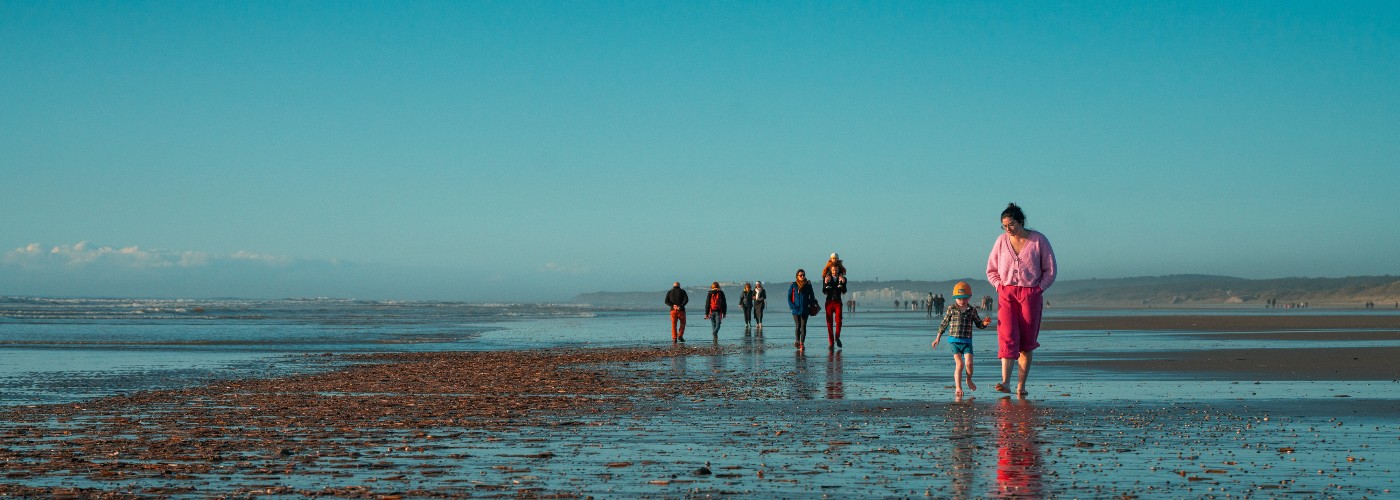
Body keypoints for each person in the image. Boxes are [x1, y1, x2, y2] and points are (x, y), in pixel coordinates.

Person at [987, 202, 1057, 397]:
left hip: (1030, 294)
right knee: (1007, 336)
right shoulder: (1001, 241)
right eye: (1004, 226)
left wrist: (1038, 289)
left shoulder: (1038, 240)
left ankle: (1021, 386)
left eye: (1011, 225)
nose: (1008, 229)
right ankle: (1005, 382)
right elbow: (991, 269)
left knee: (1026, 342)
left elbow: (1050, 270)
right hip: (1006, 293)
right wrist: (999, 286)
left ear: (1021, 222)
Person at [931, 281, 992, 397]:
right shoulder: (951, 309)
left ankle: (968, 379)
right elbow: (944, 324)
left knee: (969, 363)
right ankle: (958, 387)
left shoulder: (972, 310)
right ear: (955, 298)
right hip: (954, 341)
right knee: (960, 364)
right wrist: (937, 338)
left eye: (964, 298)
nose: (962, 300)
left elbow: (979, 324)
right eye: (959, 298)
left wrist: (985, 323)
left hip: (967, 341)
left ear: (969, 298)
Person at [787, 269, 818, 351]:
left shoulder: (808, 285)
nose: (803, 276)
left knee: (803, 325)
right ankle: (797, 340)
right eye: (801, 275)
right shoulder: (793, 285)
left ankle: (802, 343)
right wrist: (792, 306)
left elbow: (812, 296)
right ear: (797, 276)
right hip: (796, 309)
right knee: (798, 325)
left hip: (805, 308)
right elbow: (789, 297)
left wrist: (809, 304)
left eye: (804, 275)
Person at [822, 266, 848, 349]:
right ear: (831, 270)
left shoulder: (843, 278)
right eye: (833, 270)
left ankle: (837, 337)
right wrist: (826, 284)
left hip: (838, 302)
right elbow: (824, 291)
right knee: (829, 323)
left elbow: (844, 291)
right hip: (829, 302)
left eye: (836, 270)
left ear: (838, 270)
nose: (834, 271)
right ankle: (831, 343)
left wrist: (843, 283)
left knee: (839, 320)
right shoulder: (827, 278)